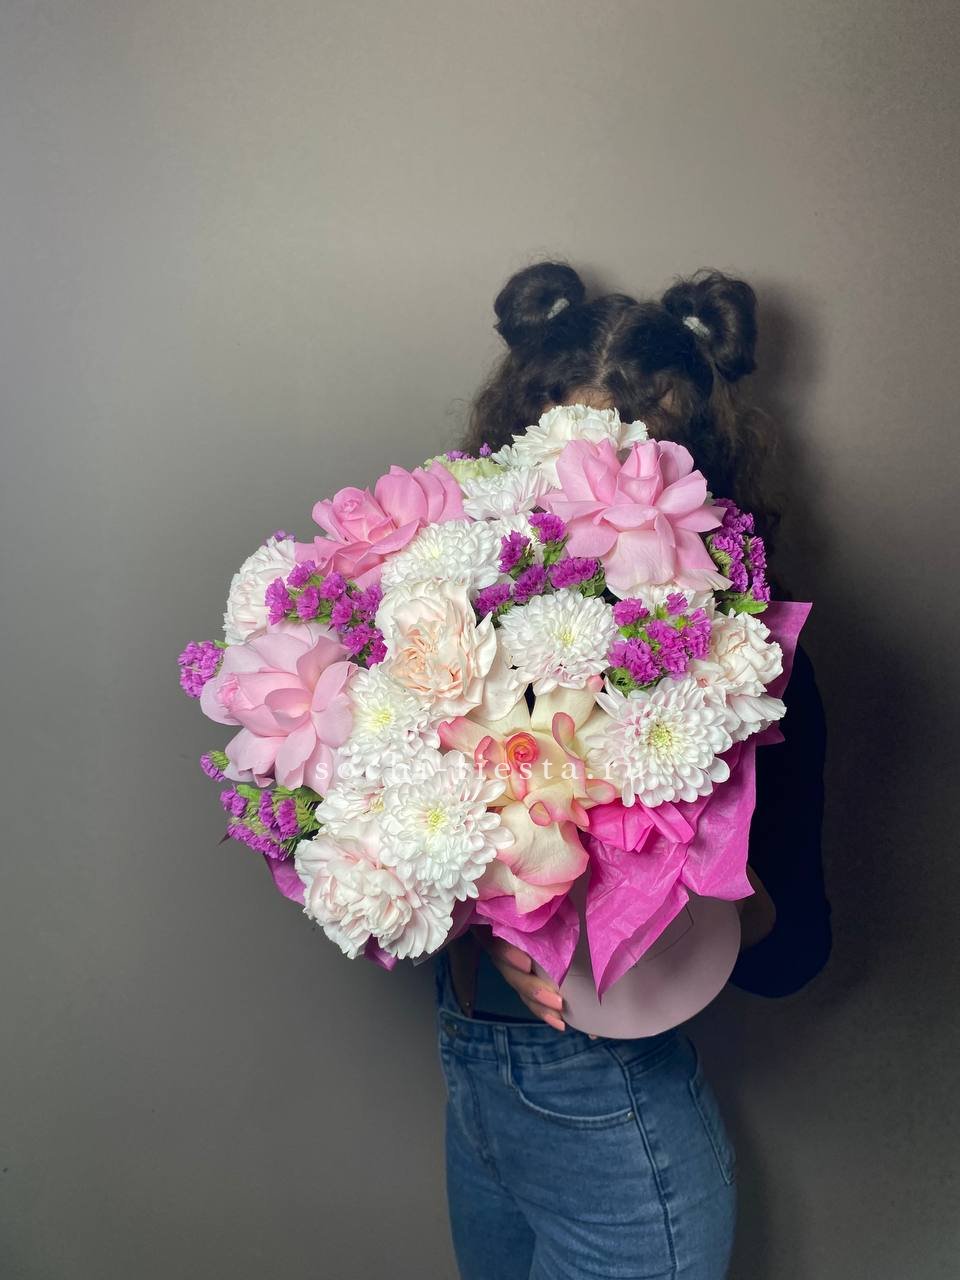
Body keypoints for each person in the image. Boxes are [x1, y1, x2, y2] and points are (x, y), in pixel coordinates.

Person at [433, 261, 832, 1280]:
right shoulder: (444, 623)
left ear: (689, 479)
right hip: (475, 1093)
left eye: (631, 474)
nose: (597, 507)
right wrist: (483, 908)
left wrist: (658, 898)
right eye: (567, 471)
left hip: (615, 1125)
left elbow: (797, 950)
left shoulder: (752, 667)